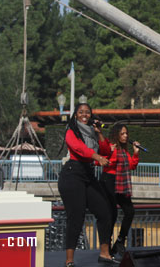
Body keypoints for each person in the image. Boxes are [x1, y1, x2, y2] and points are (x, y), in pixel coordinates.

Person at [58, 103, 118, 266]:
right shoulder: (71, 131)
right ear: (76, 115)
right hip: (72, 174)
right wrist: (96, 157)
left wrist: (99, 134)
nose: (85, 114)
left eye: (87, 112)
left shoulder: (92, 132)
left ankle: (105, 253)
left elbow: (105, 151)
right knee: (76, 216)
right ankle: (69, 259)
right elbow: (79, 149)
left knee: (105, 211)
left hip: (88, 174)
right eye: (81, 112)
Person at [99, 124, 140, 262]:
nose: (126, 136)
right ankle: (107, 248)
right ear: (116, 135)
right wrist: (110, 153)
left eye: (126, 133)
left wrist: (135, 153)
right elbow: (104, 163)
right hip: (110, 182)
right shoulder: (111, 147)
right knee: (111, 215)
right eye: (122, 134)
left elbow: (131, 166)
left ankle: (120, 240)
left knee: (130, 211)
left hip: (121, 185)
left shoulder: (124, 150)